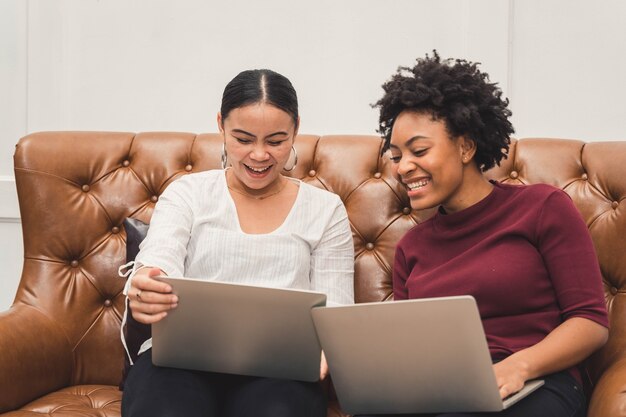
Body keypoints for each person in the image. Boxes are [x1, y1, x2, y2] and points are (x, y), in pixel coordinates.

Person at [362, 52, 609, 417]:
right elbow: (413, 348)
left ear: (466, 146)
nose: (403, 167)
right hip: (445, 388)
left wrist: (519, 366)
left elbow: (590, 322)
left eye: (419, 150)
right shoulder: (411, 247)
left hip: (535, 383)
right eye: (396, 156)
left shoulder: (543, 207)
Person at [119, 69, 355, 417]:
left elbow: (336, 307)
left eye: (275, 141)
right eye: (243, 139)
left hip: (282, 372)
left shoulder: (325, 209)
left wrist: (328, 348)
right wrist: (146, 285)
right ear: (221, 126)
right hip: (177, 365)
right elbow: (158, 260)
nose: (259, 155)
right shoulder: (189, 193)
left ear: (296, 130)